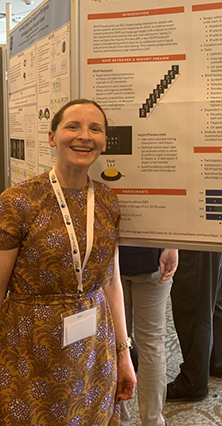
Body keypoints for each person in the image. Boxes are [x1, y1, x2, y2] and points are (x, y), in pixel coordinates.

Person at [0, 98, 136, 425]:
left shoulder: (107, 200)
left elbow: (111, 282)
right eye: (73, 126)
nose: (84, 136)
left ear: (104, 142)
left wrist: (123, 353)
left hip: (94, 350)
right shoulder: (18, 201)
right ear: (52, 137)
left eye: (95, 128)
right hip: (29, 351)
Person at [119, 246, 178, 426]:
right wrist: (172, 244)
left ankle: (117, 419)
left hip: (109, 254)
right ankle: (153, 422)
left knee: (114, 344)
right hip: (152, 255)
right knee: (152, 345)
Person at [167, 250, 222, 402]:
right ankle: (217, 361)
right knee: (211, 291)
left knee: (191, 300)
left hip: (192, 231)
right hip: (211, 231)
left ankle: (193, 380)